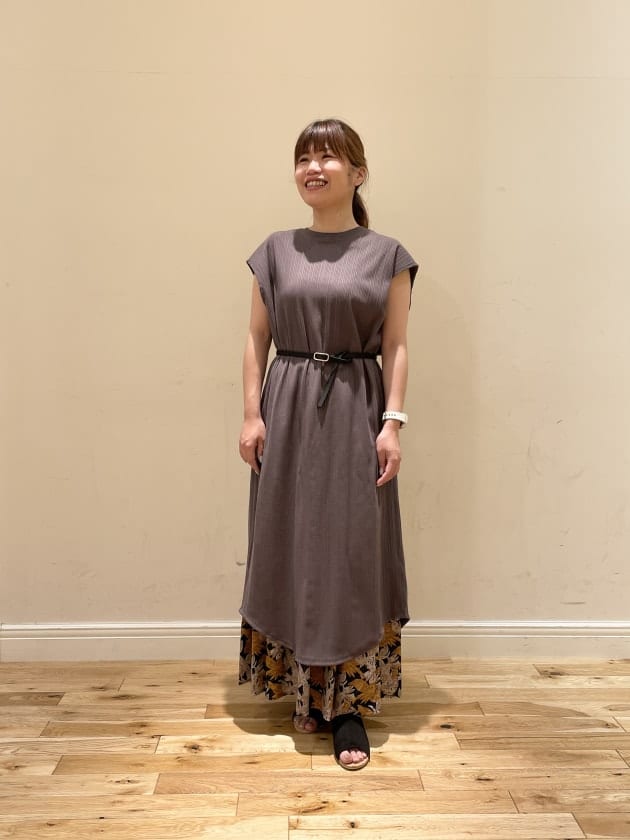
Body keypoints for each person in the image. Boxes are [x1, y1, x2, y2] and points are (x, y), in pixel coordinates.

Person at [238, 118, 418, 771]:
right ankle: (303, 691)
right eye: (304, 158)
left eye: (327, 157)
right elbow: (256, 338)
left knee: (350, 551)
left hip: (355, 406)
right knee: (289, 542)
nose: (313, 168)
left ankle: (348, 705)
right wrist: (251, 414)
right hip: (286, 405)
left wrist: (391, 423)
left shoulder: (387, 255)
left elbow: (396, 345)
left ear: (358, 173)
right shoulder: (275, 251)